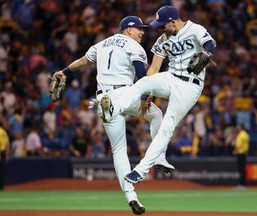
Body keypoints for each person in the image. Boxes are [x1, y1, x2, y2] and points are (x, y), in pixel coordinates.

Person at [53, 15, 174, 215]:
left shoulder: (101, 44)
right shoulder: (134, 46)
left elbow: (83, 61)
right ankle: (159, 157)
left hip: (102, 97)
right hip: (125, 93)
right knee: (157, 114)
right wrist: (145, 95)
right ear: (128, 30)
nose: (142, 32)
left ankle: (131, 196)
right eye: (139, 29)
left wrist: (64, 71)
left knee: (119, 150)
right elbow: (140, 73)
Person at [99, 5, 216, 183]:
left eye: (162, 25)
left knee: (167, 125)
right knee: (143, 82)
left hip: (190, 87)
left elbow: (209, 43)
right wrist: (147, 94)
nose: (159, 28)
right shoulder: (163, 40)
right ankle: (113, 110)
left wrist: (207, 53)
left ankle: (140, 170)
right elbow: (153, 68)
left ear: (173, 22)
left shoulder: (194, 29)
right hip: (171, 77)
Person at [233, 124, 250, 188]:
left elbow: (238, 145)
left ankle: (241, 184)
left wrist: (235, 151)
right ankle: (244, 184)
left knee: (241, 169)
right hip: (245, 153)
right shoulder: (246, 134)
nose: (237, 128)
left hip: (240, 153)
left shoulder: (240, 135)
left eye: (238, 127)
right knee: (243, 169)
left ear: (241, 128)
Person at [0, 122, 10, 190]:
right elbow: (7, 144)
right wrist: (7, 154)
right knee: (2, 170)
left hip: (0, 152)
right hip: (3, 152)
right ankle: (1, 186)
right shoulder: (3, 131)